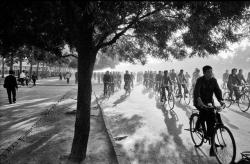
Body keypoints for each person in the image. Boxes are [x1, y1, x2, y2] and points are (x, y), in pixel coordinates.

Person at [193, 65, 225, 156]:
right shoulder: (200, 80)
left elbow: (217, 91)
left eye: (211, 71)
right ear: (204, 73)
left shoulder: (214, 80)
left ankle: (212, 141)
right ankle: (197, 125)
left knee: (213, 118)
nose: (210, 73)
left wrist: (221, 100)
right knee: (204, 112)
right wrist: (199, 101)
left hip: (209, 102)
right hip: (199, 101)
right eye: (208, 72)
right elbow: (196, 92)